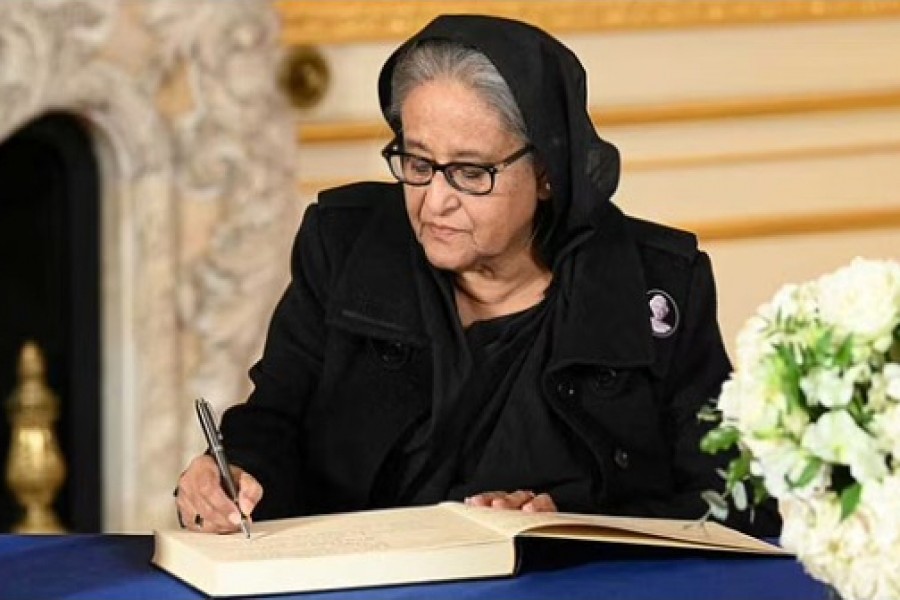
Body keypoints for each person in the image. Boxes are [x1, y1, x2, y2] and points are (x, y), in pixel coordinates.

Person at [174, 14, 780, 537]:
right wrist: (236, 471)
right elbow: (277, 417)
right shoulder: (345, 244)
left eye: (469, 172)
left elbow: (733, 500)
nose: (433, 201)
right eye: (416, 162)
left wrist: (570, 523)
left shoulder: (655, 283)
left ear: (547, 172)